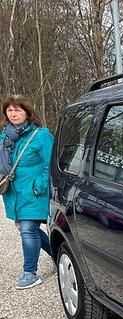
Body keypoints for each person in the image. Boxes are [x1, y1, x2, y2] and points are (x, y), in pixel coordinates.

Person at [0, 95, 54, 289]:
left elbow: (51, 164)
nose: (13, 114)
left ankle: (29, 273)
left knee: (28, 229)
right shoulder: (5, 137)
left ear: (28, 112)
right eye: (10, 110)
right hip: (13, 193)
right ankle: (58, 254)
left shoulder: (41, 135)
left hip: (34, 192)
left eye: (18, 110)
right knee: (28, 229)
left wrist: (39, 185)